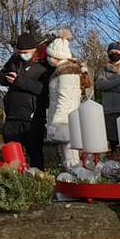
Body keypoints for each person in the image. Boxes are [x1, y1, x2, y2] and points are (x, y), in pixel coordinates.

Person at [0, 33, 49, 169]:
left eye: (25, 52)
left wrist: (19, 81)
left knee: (35, 153)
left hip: (32, 118)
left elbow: (43, 89)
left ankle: (39, 180)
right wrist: (5, 78)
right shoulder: (14, 60)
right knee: (11, 155)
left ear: (34, 50)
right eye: (20, 52)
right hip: (12, 116)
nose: (22, 55)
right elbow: (0, 76)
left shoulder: (43, 66)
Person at [44, 29, 82, 168]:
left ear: (56, 56)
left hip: (65, 121)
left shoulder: (67, 73)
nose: (48, 59)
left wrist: (56, 123)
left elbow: (64, 100)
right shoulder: (61, 72)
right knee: (65, 157)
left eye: (49, 56)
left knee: (71, 158)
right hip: (63, 120)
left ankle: (75, 182)